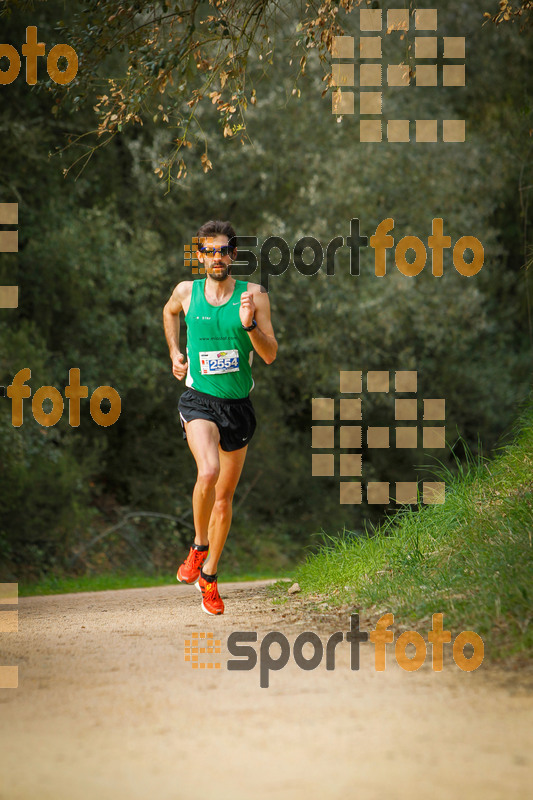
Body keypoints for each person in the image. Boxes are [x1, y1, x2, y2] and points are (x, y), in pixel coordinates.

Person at [163, 220, 277, 615]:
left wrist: (248, 326)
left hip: (239, 407)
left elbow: (269, 354)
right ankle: (198, 546)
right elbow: (169, 311)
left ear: (234, 254)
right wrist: (176, 353)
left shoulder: (254, 295)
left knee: (224, 501)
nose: (217, 257)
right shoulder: (186, 292)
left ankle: (209, 575)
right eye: (210, 251)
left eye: (224, 250)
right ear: (199, 255)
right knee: (207, 472)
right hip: (198, 401)